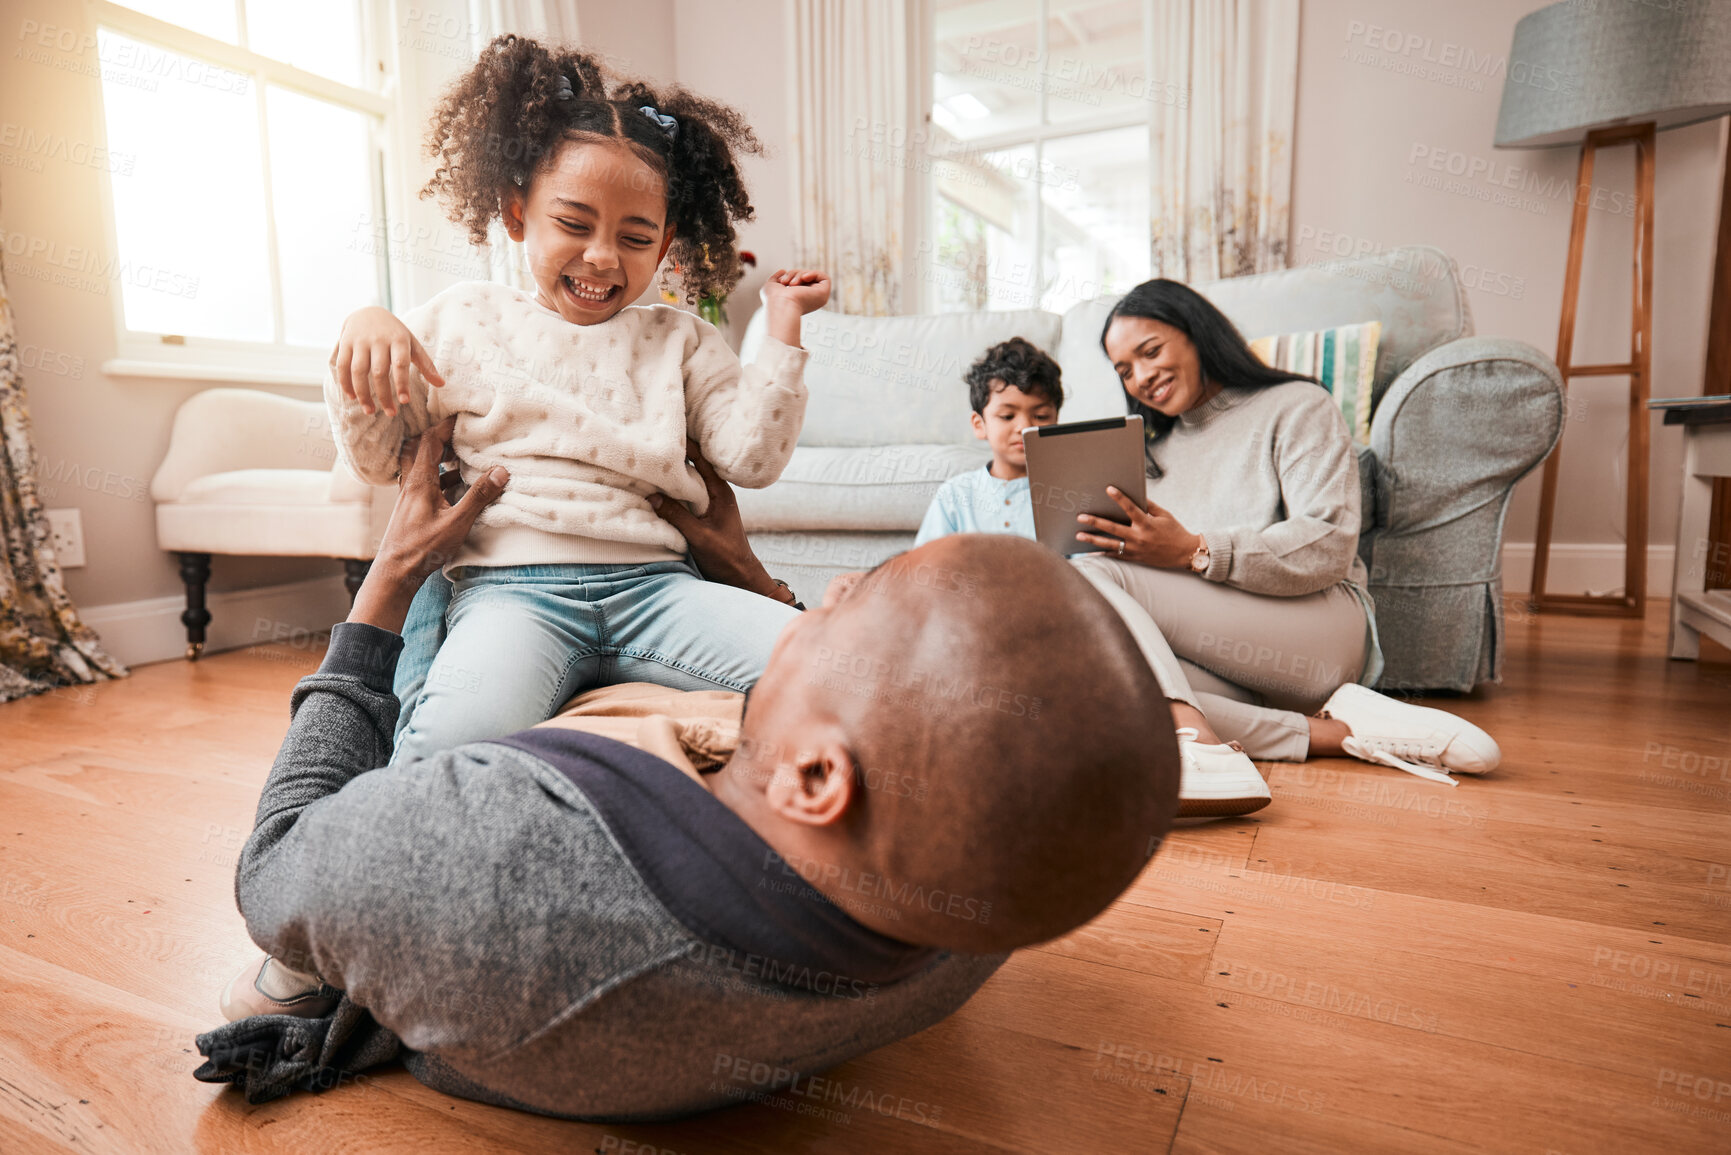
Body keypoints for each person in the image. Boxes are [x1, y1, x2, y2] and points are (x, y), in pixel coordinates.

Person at [196, 421, 1180, 1121]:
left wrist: (388, 582)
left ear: (814, 781)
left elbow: (275, 869)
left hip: (471, 927)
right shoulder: (975, 901)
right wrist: (743, 570)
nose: (833, 587)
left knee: (428, 637)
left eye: (860, 600)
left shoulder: (473, 852)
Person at [322, 35, 829, 769]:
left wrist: (784, 325)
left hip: (656, 588)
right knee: (447, 755)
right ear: (517, 210)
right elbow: (374, 460)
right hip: (509, 597)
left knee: (832, 675)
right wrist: (361, 330)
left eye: (634, 237)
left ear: (664, 249)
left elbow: (751, 458)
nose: (601, 256)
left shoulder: (680, 339)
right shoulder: (460, 316)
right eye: (573, 222)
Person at [1061, 278, 1499, 812]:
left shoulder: (1296, 405)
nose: (1142, 377)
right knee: (1102, 675)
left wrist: (1195, 550)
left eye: (1150, 352)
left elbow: (1329, 542)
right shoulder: (1151, 453)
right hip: (1226, 661)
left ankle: (1196, 747)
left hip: (1319, 628)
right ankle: (1340, 734)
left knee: (1084, 576)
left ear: (1197, 334)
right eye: (1124, 370)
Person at [913, 337, 1064, 546]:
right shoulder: (956, 495)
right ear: (979, 425)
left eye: (1040, 416)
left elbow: (1089, 568)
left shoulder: (1068, 495)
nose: (1025, 427)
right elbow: (926, 565)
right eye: (1007, 416)